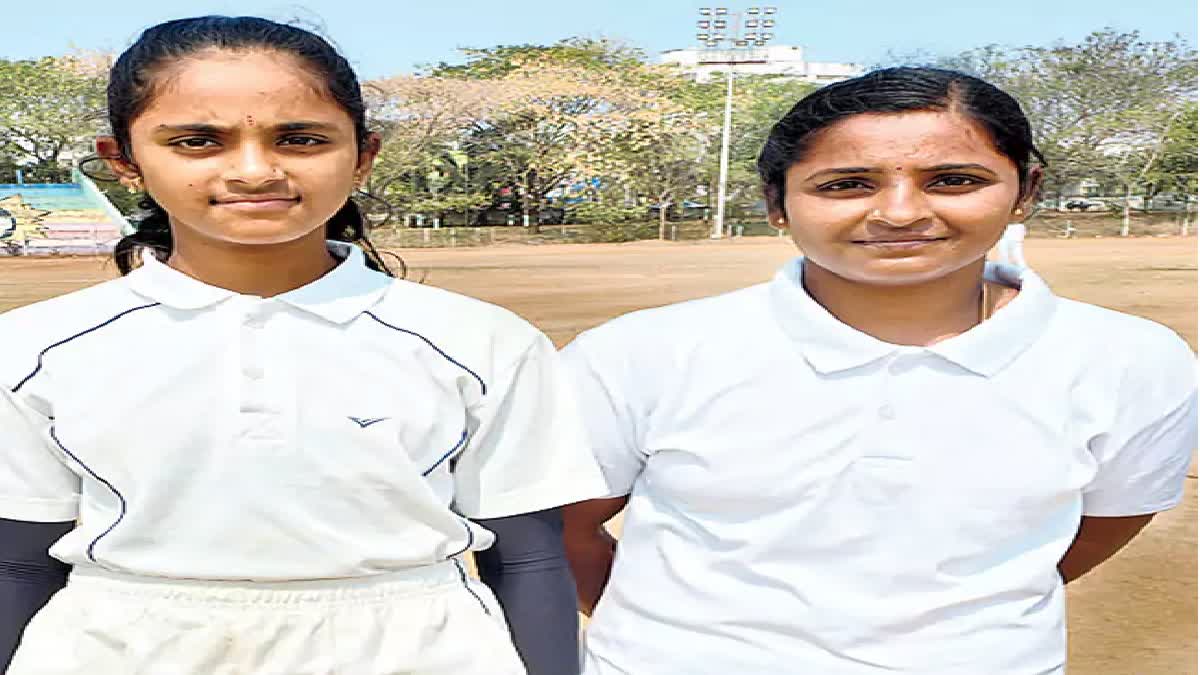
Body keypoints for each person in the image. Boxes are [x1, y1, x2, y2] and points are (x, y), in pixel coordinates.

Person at [0, 16, 605, 675]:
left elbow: (527, 558)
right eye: (198, 140)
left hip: (414, 648)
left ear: (363, 153)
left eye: (301, 138)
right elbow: (19, 561)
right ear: (124, 160)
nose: (256, 170)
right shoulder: (35, 348)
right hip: (120, 648)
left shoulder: (483, 342)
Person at [561, 67, 1197, 675]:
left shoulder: (1132, 361)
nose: (899, 213)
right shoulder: (643, 353)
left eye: (953, 180)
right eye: (845, 184)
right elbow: (561, 530)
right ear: (776, 203)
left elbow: (1103, 525)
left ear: (1025, 192)